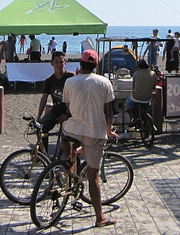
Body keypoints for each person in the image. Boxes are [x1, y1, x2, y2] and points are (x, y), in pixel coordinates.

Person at [62, 49, 118, 228]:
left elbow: (69, 107)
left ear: (81, 63)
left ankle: (64, 174)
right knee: (93, 176)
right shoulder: (104, 82)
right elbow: (108, 113)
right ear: (96, 65)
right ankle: (100, 217)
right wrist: (108, 131)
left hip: (72, 129)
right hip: (95, 132)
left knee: (69, 157)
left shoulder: (70, 81)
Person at [37, 51, 74, 152]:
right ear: (52, 63)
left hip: (70, 111)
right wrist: (39, 117)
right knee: (41, 127)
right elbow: (44, 98)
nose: (59, 65)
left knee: (66, 133)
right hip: (56, 110)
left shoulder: (70, 77)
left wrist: (66, 114)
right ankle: (43, 154)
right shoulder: (49, 80)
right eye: (56, 62)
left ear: (65, 63)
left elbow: (75, 98)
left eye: (61, 62)